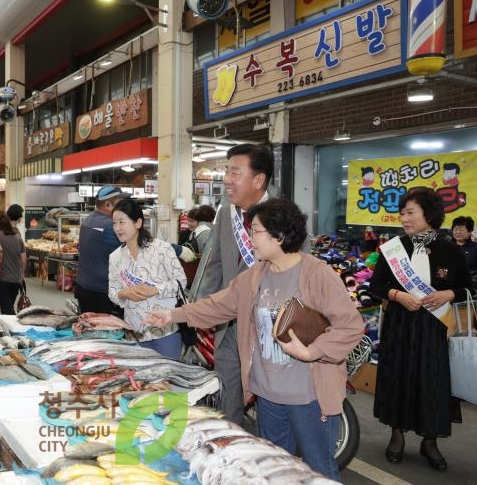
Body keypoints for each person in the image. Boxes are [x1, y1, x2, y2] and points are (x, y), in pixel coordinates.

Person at [146, 198, 363, 481]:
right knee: (274, 469)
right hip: (268, 396)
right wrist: (172, 315)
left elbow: (349, 326)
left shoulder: (316, 273)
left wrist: (312, 352)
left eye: (256, 231)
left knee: (318, 469)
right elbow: (218, 304)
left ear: (280, 235)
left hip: (309, 397)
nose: (250, 238)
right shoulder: (255, 275)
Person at [368, 187, 474, 472]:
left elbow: (469, 287)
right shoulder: (393, 248)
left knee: (432, 382)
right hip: (400, 326)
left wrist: (448, 294)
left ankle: (430, 441)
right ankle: (397, 435)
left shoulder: (449, 249)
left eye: (410, 213)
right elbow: (375, 286)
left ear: (429, 214)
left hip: (435, 328)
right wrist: (398, 295)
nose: (404, 218)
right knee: (399, 377)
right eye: (402, 213)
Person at [188, 143, 274, 425]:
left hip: (268, 331)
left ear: (258, 179)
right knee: (228, 402)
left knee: (271, 407)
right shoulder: (226, 213)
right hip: (229, 329)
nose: (226, 179)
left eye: (235, 172)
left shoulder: (283, 215)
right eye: (226, 171)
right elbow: (212, 266)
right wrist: (197, 310)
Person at [108, 199, 187, 359]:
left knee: (167, 380)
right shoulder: (115, 257)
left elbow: (181, 282)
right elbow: (112, 292)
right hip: (134, 334)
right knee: (140, 382)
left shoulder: (162, 249)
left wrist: (155, 290)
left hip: (165, 332)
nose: (117, 228)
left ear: (138, 223)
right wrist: (125, 293)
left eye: (122, 222)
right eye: (114, 223)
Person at [75, 186, 130, 316]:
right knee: (107, 333)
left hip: (84, 285)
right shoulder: (110, 226)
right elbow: (134, 249)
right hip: (102, 291)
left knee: (90, 328)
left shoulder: (87, 220)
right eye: (120, 202)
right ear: (107, 204)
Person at [0, 212, 25, 315]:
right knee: (7, 306)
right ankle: (5, 328)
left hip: (2, 279)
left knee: (8, 310)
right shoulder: (18, 237)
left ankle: (17, 330)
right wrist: (22, 274)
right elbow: (23, 258)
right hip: (16, 279)